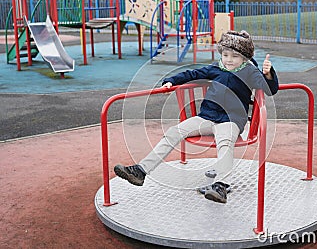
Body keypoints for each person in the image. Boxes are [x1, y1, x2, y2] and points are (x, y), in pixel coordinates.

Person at [114, 30, 279, 203]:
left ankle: (221, 186)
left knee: (225, 143)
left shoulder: (249, 72)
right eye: (225, 54)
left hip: (230, 120)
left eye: (235, 56)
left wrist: (268, 73)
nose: (229, 59)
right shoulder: (217, 68)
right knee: (174, 132)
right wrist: (172, 80)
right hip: (207, 117)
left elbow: (269, 89)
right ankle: (141, 171)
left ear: (244, 58)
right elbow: (193, 73)